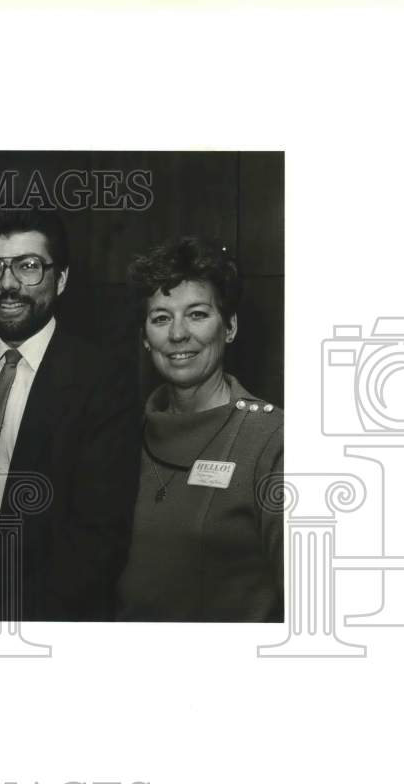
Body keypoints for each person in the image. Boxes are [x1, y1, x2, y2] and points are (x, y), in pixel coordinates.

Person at [0, 209, 141, 621]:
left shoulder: (102, 380)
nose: (8, 284)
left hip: (44, 616)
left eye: (28, 266)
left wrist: (6, 626)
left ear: (60, 278)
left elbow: (98, 537)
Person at [118, 237, 283, 621]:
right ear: (145, 337)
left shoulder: (273, 440)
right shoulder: (122, 435)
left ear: (229, 327)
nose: (177, 334)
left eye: (196, 314)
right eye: (161, 318)